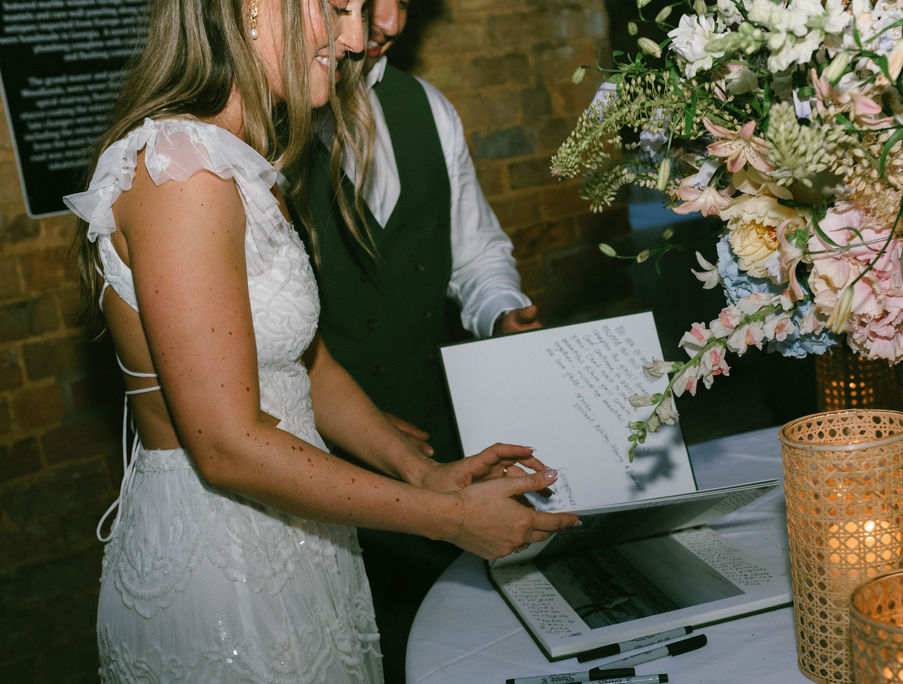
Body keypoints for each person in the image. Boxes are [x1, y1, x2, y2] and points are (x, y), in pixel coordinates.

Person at [64, 0, 578, 681]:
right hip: (228, 564)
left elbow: (307, 362)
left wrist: (420, 470)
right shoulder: (181, 170)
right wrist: (447, 517)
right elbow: (226, 446)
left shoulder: (240, 157)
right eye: (337, 7)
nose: (357, 37)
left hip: (298, 534)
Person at [306, 1, 541, 678]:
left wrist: (501, 308)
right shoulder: (259, 125)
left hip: (439, 449)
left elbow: (475, 252)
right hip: (311, 475)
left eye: (404, 0)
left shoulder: (426, 109)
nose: (391, 22)